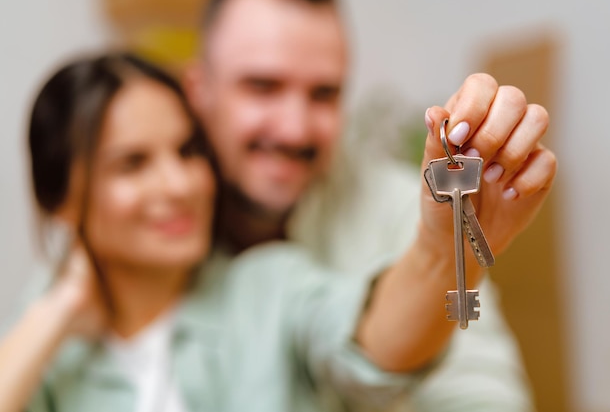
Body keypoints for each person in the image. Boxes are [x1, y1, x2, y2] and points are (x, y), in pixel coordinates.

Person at [0, 50, 549, 412]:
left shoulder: (270, 287)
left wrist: (442, 246)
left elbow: (376, 348)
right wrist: (58, 308)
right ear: (62, 203)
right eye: (132, 163)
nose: (179, 183)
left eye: (188, 151)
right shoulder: (51, 348)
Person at [183, 0, 557, 410]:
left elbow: (482, 394)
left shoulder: (406, 209)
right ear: (199, 91)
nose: (294, 129)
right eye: (263, 87)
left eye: (323, 94)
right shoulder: (146, 228)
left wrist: (442, 256)